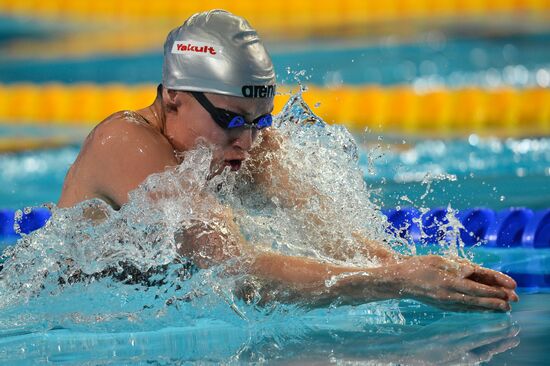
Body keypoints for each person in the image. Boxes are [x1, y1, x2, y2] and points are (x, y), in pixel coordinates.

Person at [58, 10, 518, 311]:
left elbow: (336, 240)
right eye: (231, 119)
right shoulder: (124, 144)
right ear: (174, 97)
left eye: (261, 121)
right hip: (63, 318)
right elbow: (238, 271)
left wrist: (423, 271)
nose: (250, 141)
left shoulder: (244, 145)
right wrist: (396, 280)